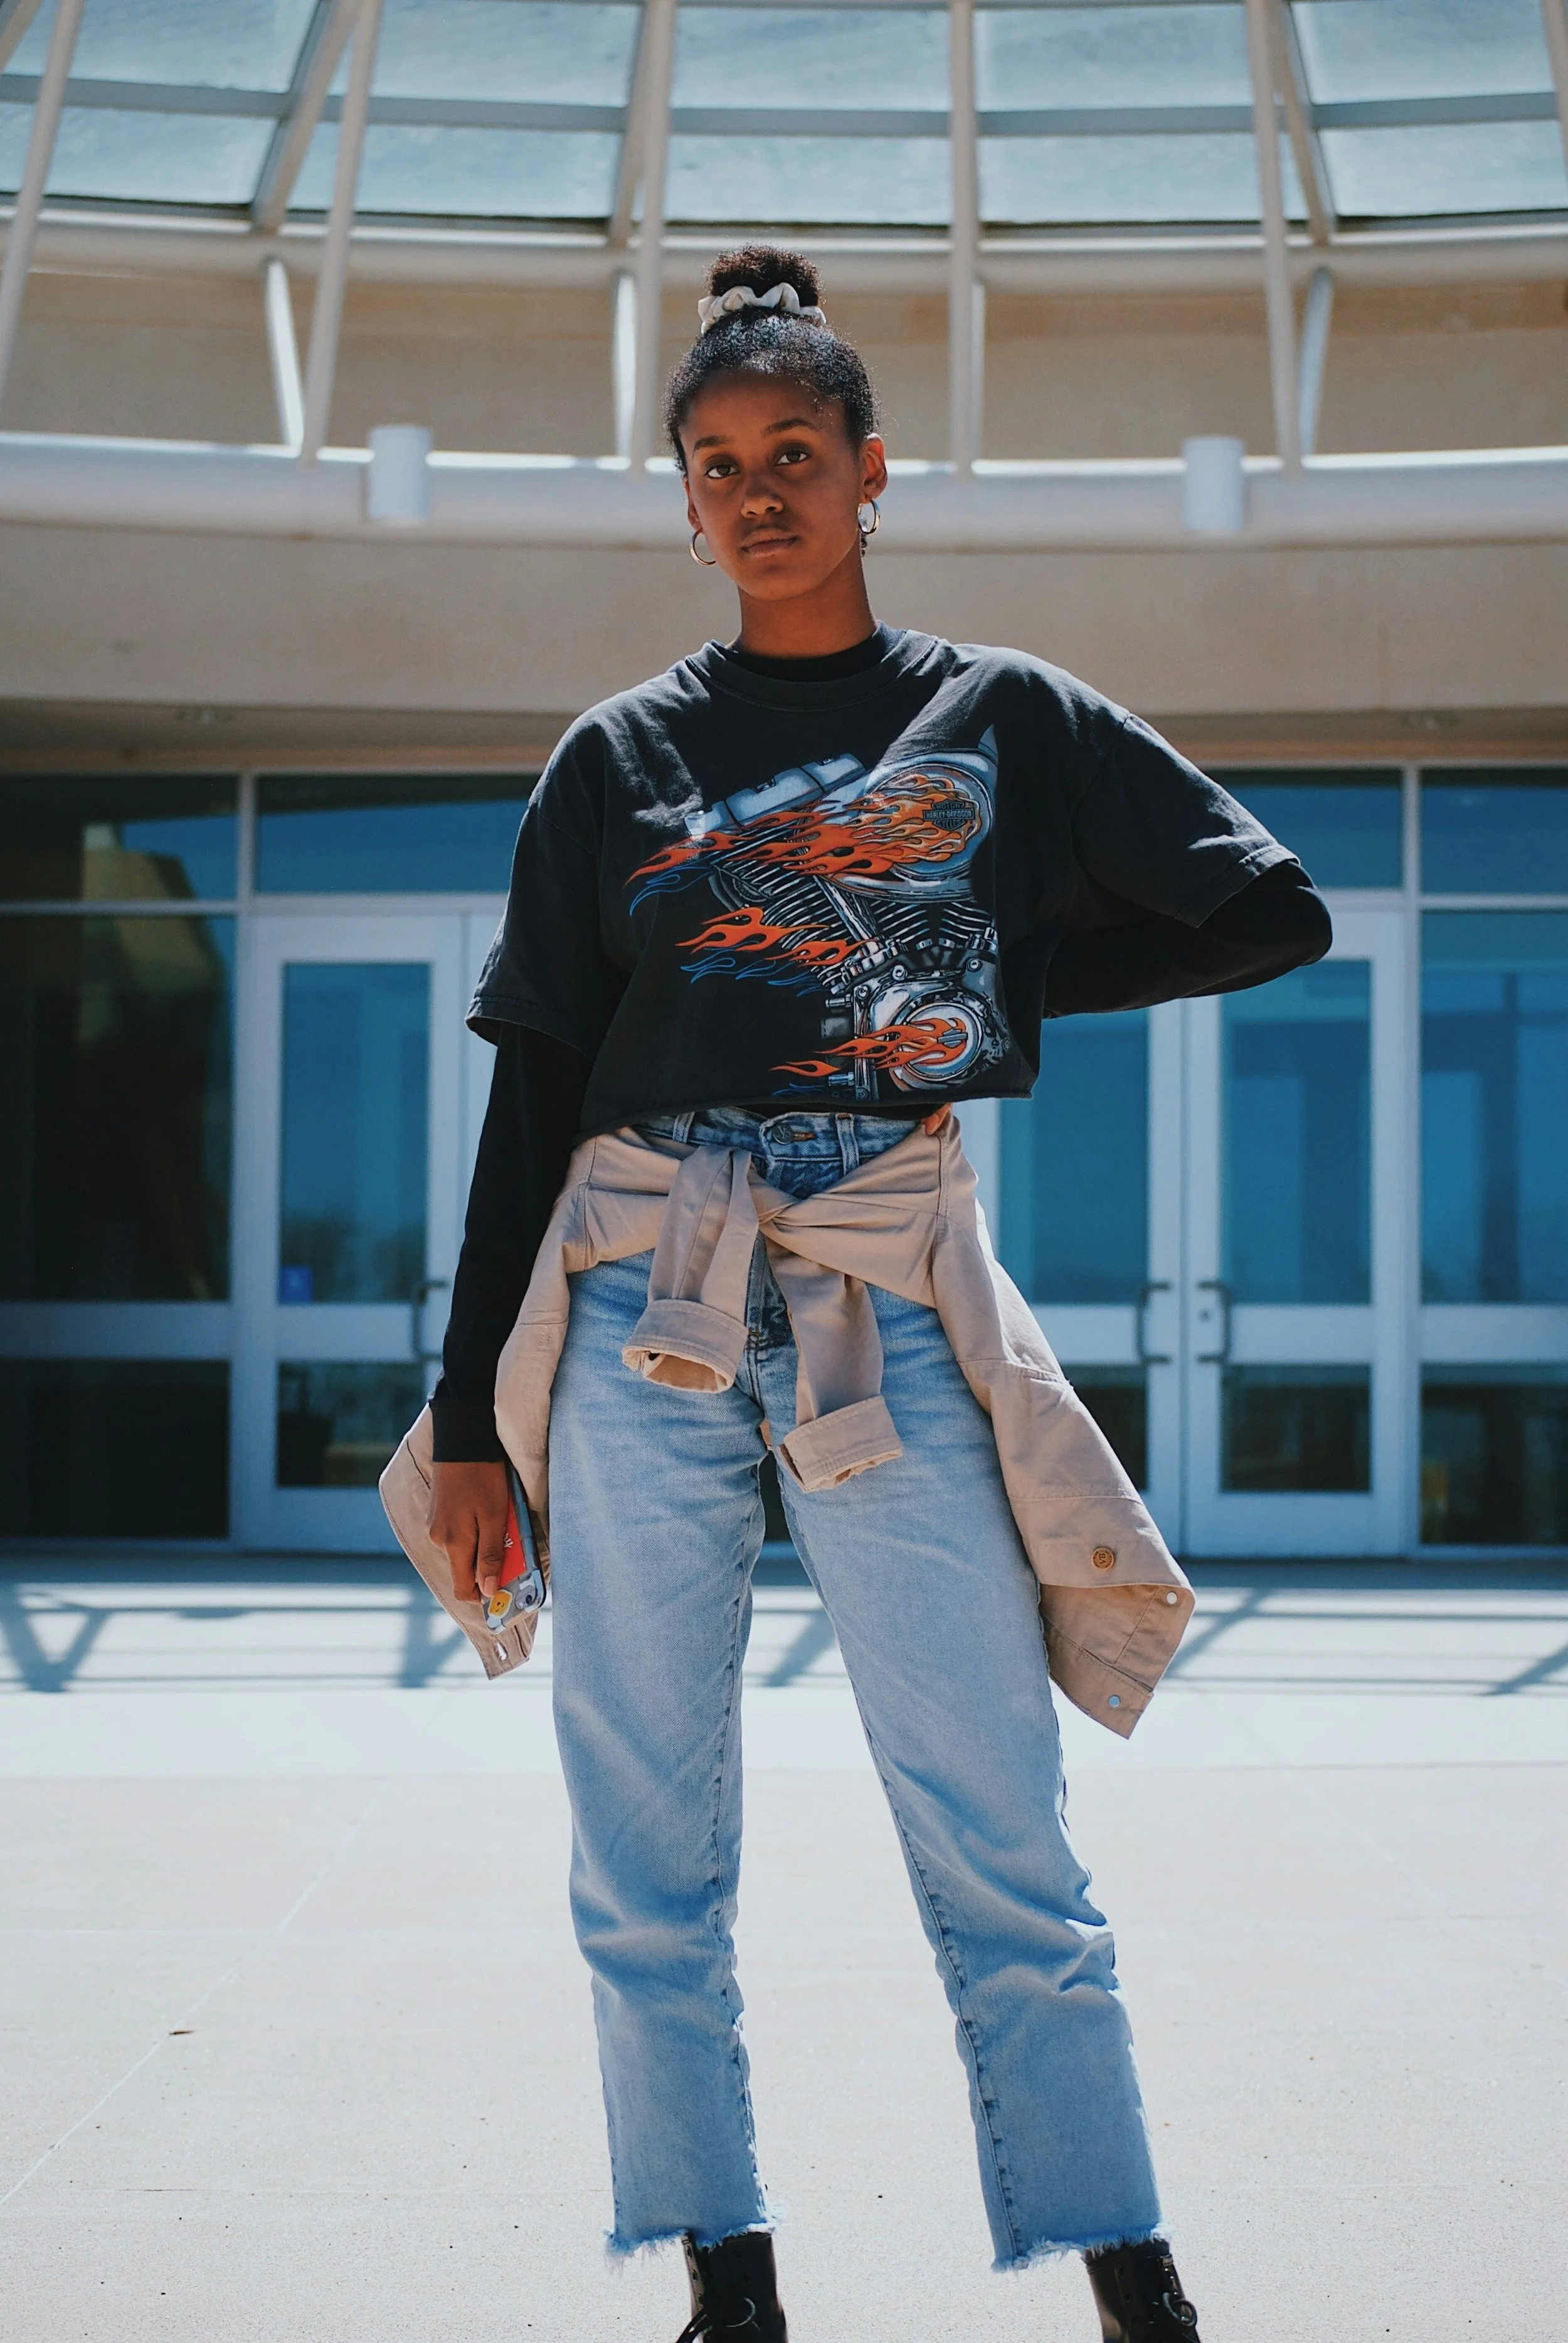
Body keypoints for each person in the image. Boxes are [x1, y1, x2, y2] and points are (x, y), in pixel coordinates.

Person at [425, 247, 1330, 2343]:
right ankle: (725, 2293)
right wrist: (473, 1418)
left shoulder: (994, 714)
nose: (757, 495)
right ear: (684, 497)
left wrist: (972, 983)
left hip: (880, 1285)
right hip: (638, 1296)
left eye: (795, 458)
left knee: (996, 1824)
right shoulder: (616, 757)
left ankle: (1134, 2279)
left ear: (868, 473)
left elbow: (1261, 908)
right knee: (643, 1853)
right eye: (718, 465)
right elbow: (534, 1101)